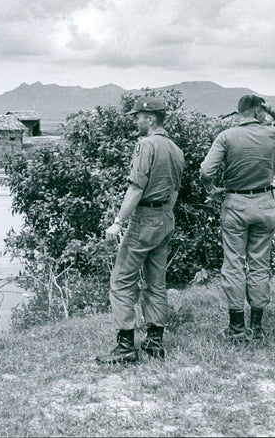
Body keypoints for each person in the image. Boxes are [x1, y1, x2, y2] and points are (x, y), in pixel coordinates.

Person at [200, 95, 275, 342]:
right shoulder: (270, 134)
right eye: (262, 111)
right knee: (259, 264)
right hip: (264, 202)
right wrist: (273, 111)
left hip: (235, 203)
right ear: (258, 111)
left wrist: (211, 189)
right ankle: (257, 326)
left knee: (234, 264)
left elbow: (205, 171)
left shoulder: (226, 137)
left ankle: (236, 328)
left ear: (239, 112)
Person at [97, 97, 185, 364]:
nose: (135, 120)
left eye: (138, 116)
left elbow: (136, 188)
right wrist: (165, 214)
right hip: (165, 218)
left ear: (151, 118)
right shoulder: (175, 148)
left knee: (121, 281)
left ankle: (125, 346)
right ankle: (155, 342)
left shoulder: (145, 145)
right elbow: (175, 190)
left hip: (144, 218)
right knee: (156, 281)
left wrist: (117, 222)